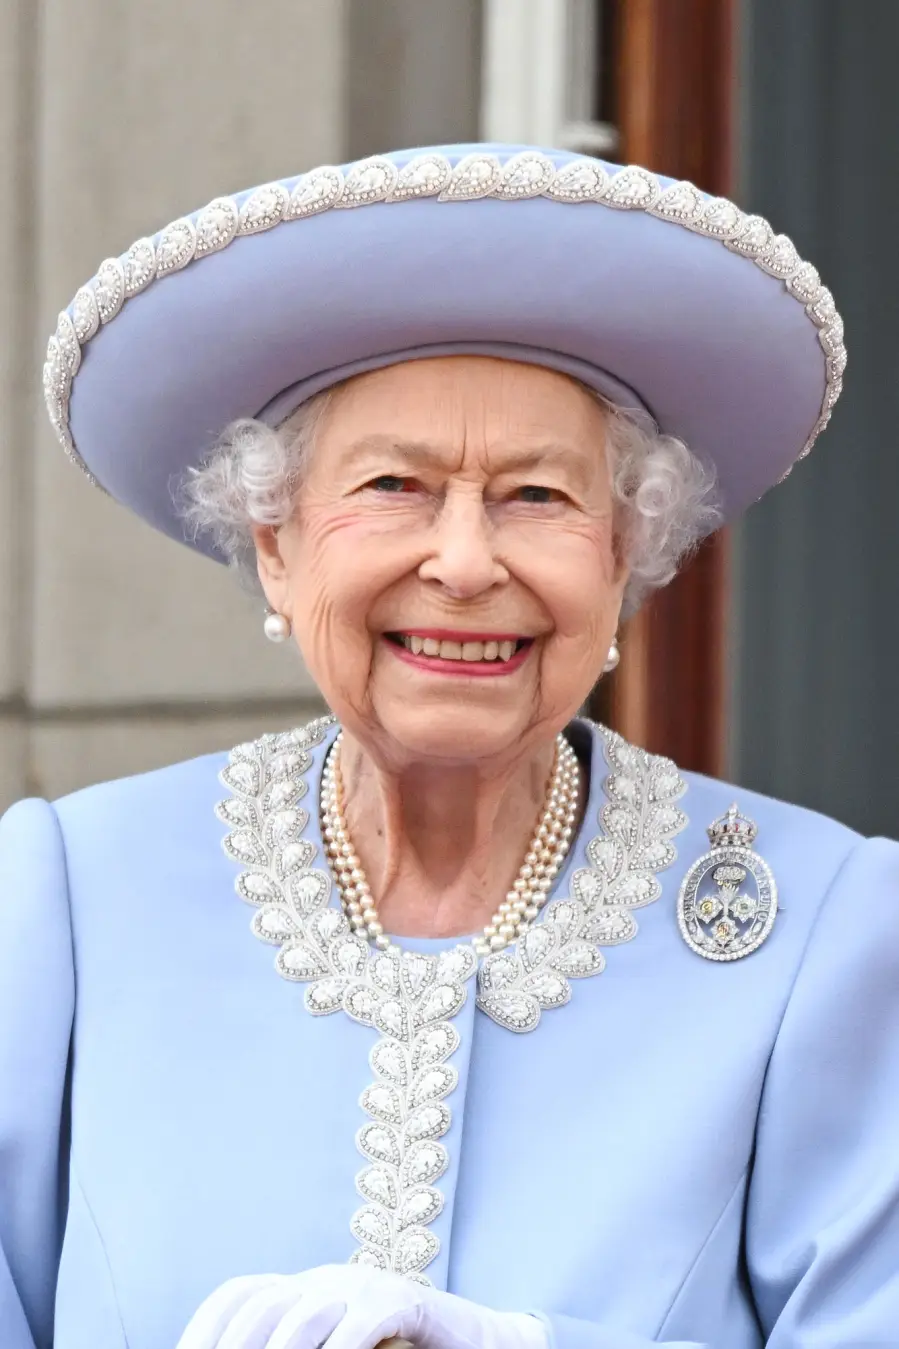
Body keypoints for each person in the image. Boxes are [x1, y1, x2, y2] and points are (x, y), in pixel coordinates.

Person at [4, 144, 896, 1349]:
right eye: (392, 485)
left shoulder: (823, 928)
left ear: (623, 557)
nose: (467, 562)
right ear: (276, 544)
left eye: (537, 496)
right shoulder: (69, 892)